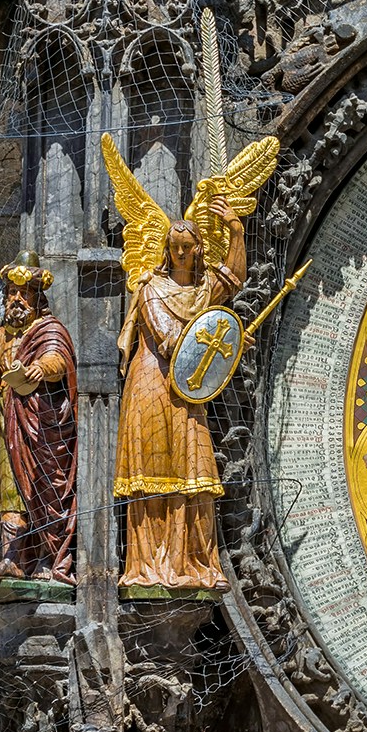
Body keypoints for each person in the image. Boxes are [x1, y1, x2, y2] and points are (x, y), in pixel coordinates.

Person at [113, 196, 244, 591]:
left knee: (194, 470)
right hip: (153, 384)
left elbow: (234, 278)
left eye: (189, 246)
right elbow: (171, 342)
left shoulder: (204, 290)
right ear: (166, 251)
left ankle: (194, 562)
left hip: (187, 390)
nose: (182, 252)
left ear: (200, 248)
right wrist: (221, 342)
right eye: (175, 247)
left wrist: (236, 230)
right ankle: (151, 565)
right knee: (155, 471)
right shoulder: (152, 288)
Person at [0, 254, 78, 585]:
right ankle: (12, 559)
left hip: (44, 429)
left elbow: (59, 359)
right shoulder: (1, 338)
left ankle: (48, 560)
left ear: (38, 297)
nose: (17, 300)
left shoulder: (48, 329)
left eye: (25, 294)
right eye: (11, 293)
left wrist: (42, 368)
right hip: (11, 428)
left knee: (45, 491)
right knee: (10, 491)